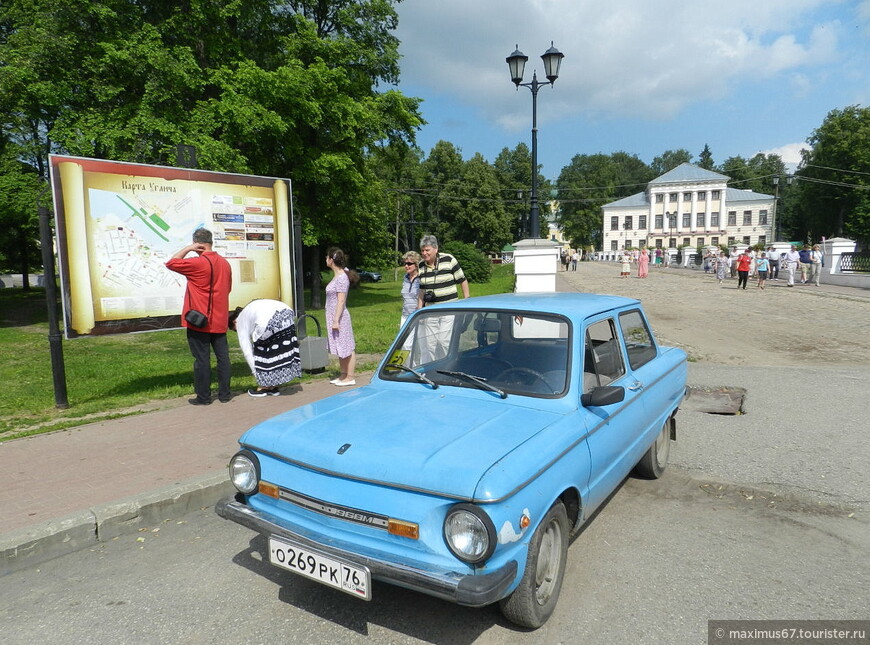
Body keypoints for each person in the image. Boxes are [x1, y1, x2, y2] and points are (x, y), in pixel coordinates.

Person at [166, 228, 233, 405]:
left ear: (198, 244)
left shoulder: (197, 263)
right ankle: (225, 395)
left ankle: (203, 397)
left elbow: (171, 263)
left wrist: (188, 248)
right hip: (219, 319)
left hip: (200, 321)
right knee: (223, 358)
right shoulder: (225, 264)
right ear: (211, 242)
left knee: (202, 359)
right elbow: (228, 289)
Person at [228, 300, 301, 397]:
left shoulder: (240, 321)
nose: (236, 331)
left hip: (269, 319)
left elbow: (247, 351)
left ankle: (263, 387)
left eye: (234, 330)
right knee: (277, 350)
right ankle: (273, 386)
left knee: (261, 350)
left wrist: (257, 374)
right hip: (287, 313)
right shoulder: (248, 311)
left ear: (234, 322)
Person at [416, 235, 470, 361]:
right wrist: (419, 311)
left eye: (427, 250)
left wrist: (467, 299)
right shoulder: (421, 266)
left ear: (436, 249)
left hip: (449, 309)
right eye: (422, 250)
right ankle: (432, 369)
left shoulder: (449, 259)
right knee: (430, 344)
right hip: (431, 311)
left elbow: (462, 280)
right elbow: (422, 291)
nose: (424, 253)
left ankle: (448, 365)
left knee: (444, 341)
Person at [324, 247, 359, 386]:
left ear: (331, 260)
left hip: (340, 317)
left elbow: (341, 300)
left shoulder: (342, 278)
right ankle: (343, 375)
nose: (325, 259)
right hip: (334, 316)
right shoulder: (338, 276)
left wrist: (336, 320)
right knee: (340, 345)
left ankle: (350, 377)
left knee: (347, 346)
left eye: (327, 257)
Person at [400, 250, 421, 327]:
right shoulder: (405, 278)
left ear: (416, 264)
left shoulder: (421, 279)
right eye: (405, 263)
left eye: (409, 264)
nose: (406, 266)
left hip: (418, 316)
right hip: (405, 316)